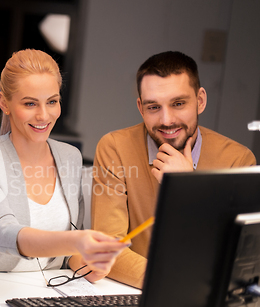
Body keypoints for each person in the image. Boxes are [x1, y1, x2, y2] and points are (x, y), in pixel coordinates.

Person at [92, 51, 256, 289]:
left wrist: (189, 189)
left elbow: (235, 261)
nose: (167, 120)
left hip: (205, 305)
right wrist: (171, 282)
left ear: (200, 101)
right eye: (153, 107)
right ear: (140, 107)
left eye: (178, 104)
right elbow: (107, 250)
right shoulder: (115, 148)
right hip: (134, 293)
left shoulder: (238, 160)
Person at [0, 49, 127, 282]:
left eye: (52, 102)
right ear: (4, 103)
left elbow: (69, 256)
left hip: (47, 292)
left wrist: (90, 266)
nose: (43, 115)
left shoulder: (70, 157)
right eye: (30, 103)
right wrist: (76, 241)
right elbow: (3, 232)